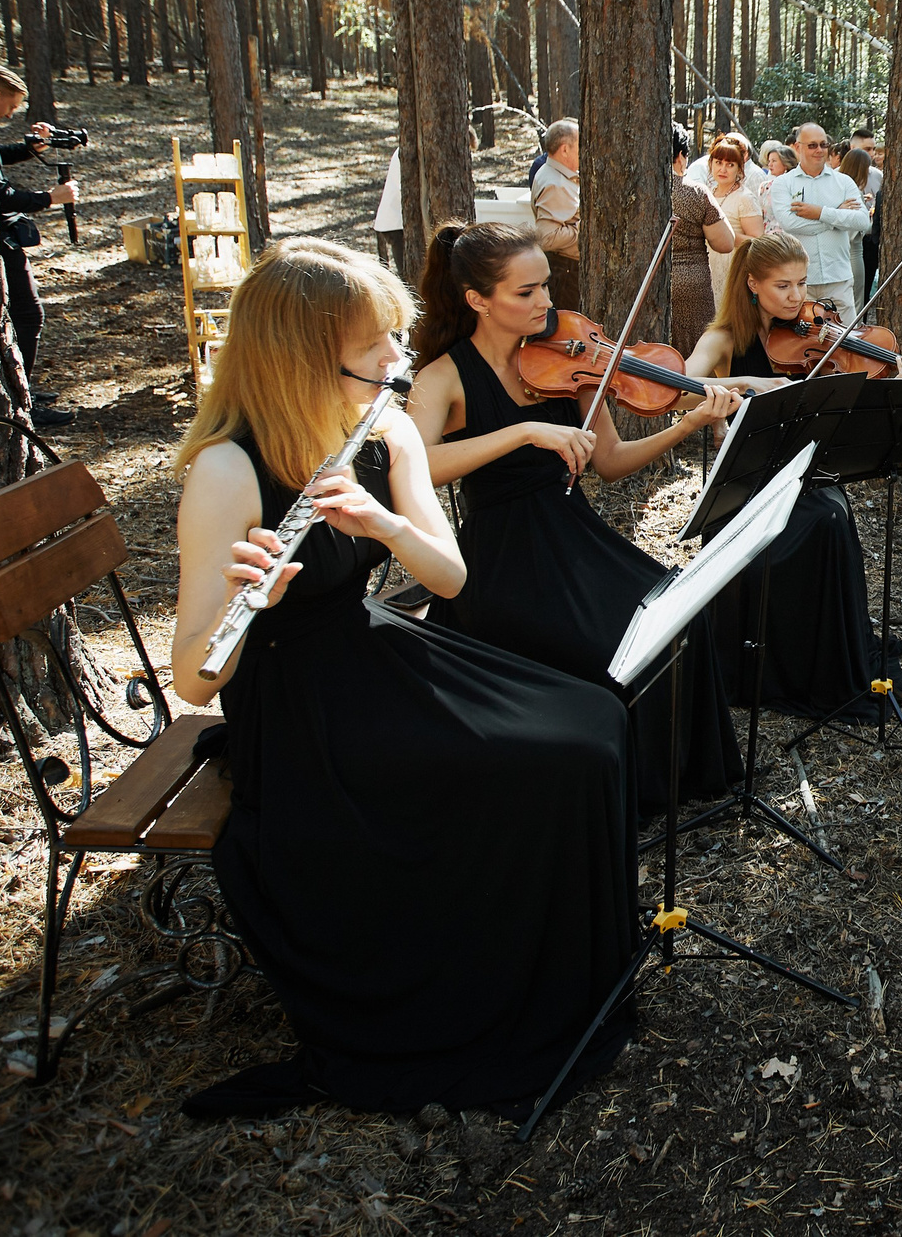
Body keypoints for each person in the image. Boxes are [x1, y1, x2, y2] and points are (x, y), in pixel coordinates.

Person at [168, 237, 640, 1116]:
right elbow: (196, 681)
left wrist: (384, 524)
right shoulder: (228, 469)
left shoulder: (380, 427)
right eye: (375, 344)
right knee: (551, 764)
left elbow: (450, 575)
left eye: (397, 335)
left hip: (373, 650)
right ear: (302, 355)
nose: (398, 359)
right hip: (304, 704)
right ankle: (497, 993)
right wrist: (252, 602)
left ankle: (580, 978)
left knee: (593, 717)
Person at [405, 220, 746, 811]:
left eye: (546, 287)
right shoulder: (443, 377)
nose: (545, 303)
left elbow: (611, 462)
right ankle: (616, 794)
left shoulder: (566, 358)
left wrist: (685, 424)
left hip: (573, 533)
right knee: (606, 650)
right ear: (477, 301)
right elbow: (415, 466)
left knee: (675, 619)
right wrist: (521, 433)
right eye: (526, 292)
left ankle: (675, 781)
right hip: (501, 557)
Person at [685, 233, 902, 710]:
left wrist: (901, 386)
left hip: (802, 471)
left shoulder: (812, 334)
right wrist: (740, 381)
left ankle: (826, 652)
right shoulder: (722, 340)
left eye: (802, 284)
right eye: (783, 286)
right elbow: (681, 388)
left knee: (833, 513)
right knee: (823, 517)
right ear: (752, 284)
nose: (798, 298)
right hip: (746, 480)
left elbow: (853, 403)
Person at [0, 63, 82, 427]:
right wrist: (49, 198)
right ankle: (23, 401)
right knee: (28, 314)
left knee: (19, 315)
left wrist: (28, 148)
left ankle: (21, 388)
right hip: (0, 239)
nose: (11, 113)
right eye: (11, 106)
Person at [766, 122, 872, 320]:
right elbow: (790, 224)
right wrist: (836, 216)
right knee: (803, 344)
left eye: (823, 145)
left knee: (847, 342)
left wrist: (820, 212)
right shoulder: (783, 183)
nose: (819, 150)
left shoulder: (844, 182)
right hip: (800, 282)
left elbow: (861, 222)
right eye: (812, 145)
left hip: (838, 277)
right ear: (797, 147)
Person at [670, 124, 736, 350]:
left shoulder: (633, 191)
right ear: (680, 156)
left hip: (643, 283)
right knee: (696, 351)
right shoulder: (694, 191)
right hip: (691, 286)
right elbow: (725, 242)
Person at [706, 139, 767, 306]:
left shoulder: (744, 198)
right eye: (718, 162)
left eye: (730, 164)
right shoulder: (708, 192)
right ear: (711, 163)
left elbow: (758, 241)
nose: (723, 169)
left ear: (739, 168)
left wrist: (724, 235)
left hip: (732, 268)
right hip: (708, 267)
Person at [531, 118, 584, 309]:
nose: (584, 150)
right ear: (564, 149)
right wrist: (586, 229)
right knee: (566, 334)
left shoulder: (558, 176)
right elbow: (547, 237)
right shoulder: (554, 183)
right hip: (565, 274)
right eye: (580, 144)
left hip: (567, 271)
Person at [839, 146, 878, 304]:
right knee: (856, 301)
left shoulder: (839, 188)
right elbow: (861, 227)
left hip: (841, 254)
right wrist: (876, 219)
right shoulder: (852, 192)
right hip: (854, 252)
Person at [851, 127, 886, 293]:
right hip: (848, 242)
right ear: (853, 149)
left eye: (873, 149)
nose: (871, 154)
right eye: (867, 149)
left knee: (864, 290)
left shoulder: (877, 176)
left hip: (870, 240)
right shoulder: (837, 176)